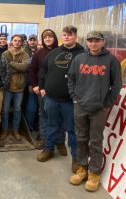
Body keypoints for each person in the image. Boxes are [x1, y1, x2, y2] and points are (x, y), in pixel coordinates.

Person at [68, 31, 122, 192]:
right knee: (81, 138)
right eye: (90, 41)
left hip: (98, 109)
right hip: (80, 106)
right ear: (87, 42)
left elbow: (116, 85)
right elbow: (71, 78)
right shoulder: (79, 59)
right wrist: (74, 97)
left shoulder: (111, 60)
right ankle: (82, 168)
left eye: (96, 41)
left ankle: (94, 173)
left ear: (102, 42)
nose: (93, 44)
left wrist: (106, 104)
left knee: (96, 141)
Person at [38, 26, 84, 173]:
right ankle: (49, 149)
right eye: (64, 35)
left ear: (76, 36)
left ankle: (76, 159)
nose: (66, 37)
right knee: (51, 125)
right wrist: (42, 87)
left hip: (71, 101)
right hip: (51, 98)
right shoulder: (54, 52)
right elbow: (43, 71)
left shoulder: (83, 54)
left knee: (72, 130)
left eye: (70, 35)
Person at [28, 29, 60, 150]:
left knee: (57, 115)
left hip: (57, 90)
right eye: (45, 37)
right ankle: (43, 138)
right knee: (43, 115)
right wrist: (35, 85)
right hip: (42, 90)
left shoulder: (60, 51)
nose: (48, 39)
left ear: (54, 38)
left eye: (50, 36)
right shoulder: (39, 53)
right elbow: (32, 69)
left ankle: (57, 140)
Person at [1, 34, 30, 140]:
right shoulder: (5, 54)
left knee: (17, 110)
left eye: (19, 41)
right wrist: (18, 67)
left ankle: (15, 130)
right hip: (7, 87)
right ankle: (5, 130)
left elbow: (25, 67)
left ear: (22, 42)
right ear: (11, 41)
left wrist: (12, 63)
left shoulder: (25, 55)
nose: (17, 42)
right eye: (15, 40)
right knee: (4, 110)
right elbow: (4, 69)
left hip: (19, 87)